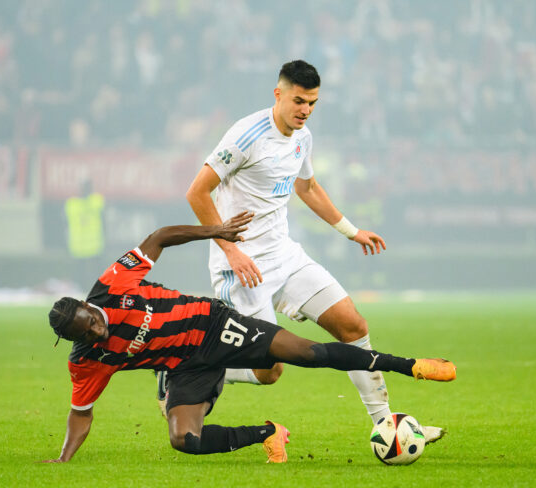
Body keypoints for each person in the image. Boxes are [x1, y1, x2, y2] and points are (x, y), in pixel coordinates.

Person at [42, 212, 456, 463]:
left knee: (306, 353)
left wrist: (215, 231)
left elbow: (160, 237)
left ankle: (411, 365)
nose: (100, 328)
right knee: (184, 441)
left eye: (94, 319)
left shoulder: (112, 284)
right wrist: (63, 459)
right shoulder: (86, 360)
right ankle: (268, 432)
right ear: (75, 339)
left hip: (212, 325)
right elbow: (81, 413)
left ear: (87, 303)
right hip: (184, 367)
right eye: (90, 333)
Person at [182, 59, 443, 439]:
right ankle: (192, 363)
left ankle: (387, 424)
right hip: (243, 267)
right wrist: (230, 251)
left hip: (285, 256)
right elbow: (196, 192)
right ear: (279, 94)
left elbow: (307, 188)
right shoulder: (245, 135)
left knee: (353, 325)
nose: (305, 110)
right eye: (299, 101)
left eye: (313, 103)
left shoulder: (302, 137)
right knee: (269, 371)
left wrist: (351, 231)